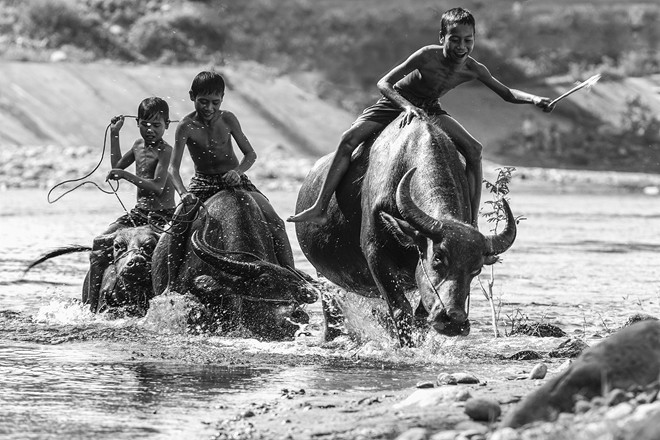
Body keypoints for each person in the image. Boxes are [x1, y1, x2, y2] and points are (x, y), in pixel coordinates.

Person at [288, 7, 555, 227]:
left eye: (468, 40)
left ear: (474, 40)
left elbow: (507, 94)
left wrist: (535, 99)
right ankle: (319, 207)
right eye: (455, 39)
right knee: (348, 140)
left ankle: (471, 223)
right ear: (442, 38)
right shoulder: (427, 56)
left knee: (474, 149)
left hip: (430, 108)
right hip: (396, 103)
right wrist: (405, 106)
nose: (462, 46)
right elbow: (384, 83)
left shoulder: (475, 69)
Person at [168, 71, 294, 269]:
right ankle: (170, 283)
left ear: (222, 99)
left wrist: (238, 171)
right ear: (192, 96)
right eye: (203, 101)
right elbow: (173, 168)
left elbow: (250, 154)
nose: (209, 108)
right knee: (178, 225)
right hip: (203, 183)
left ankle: (291, 274)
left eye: (215, 102)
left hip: (236, 180)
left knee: (276, 223)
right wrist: (183, 193)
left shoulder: (228, 119)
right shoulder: (186, 126)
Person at [87, 96, 176, 312]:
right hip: (139, 213)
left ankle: (169, 303)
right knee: (99, 244)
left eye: (156, 125)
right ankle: (90, 306)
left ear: (167, 125)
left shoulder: (166, 150)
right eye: (145, 125)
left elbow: (156, 185)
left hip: (163, 215)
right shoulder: (138, 145)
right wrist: (115, 133)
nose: (150, 130)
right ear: (137, 123)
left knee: (170, 253)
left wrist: (125, 175)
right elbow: (117, 165)